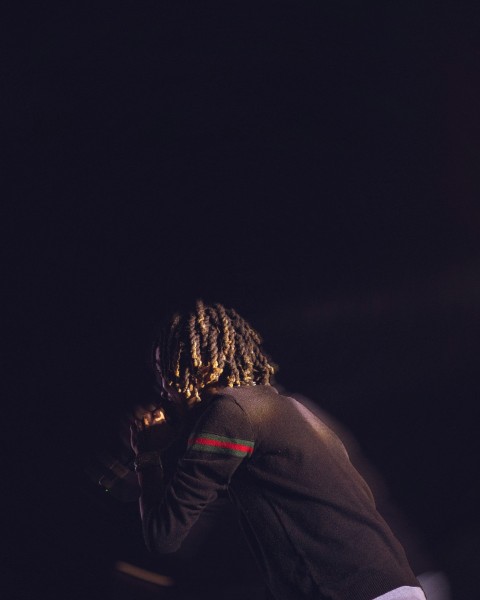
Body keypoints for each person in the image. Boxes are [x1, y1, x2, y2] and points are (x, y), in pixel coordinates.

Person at [129, 299, 427, 600]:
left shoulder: (229, 413)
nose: (164, 389)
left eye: (163, 371)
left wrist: (148, 455)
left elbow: (162, 535)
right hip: (391, 587)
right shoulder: (285, 408)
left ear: (195, 367)